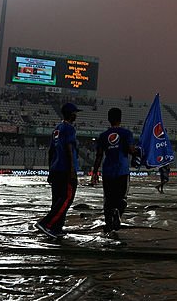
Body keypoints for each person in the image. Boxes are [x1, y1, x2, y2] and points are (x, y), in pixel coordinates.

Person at [35, 102, 81, 238]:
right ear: (71, 114)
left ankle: (56, 228)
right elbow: (68, 148)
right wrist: (72, 169)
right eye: (75, 113)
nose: (76, 116)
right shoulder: (69, 129)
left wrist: (50, 171)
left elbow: (51, 151)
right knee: (67, 198)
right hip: (65, 169)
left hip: (55, 169)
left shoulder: (57, 129)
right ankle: (46, 224)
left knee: (57, 200)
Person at [91, 108, 134, 232]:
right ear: (120, 119)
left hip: (108, 171)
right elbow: (131, 150)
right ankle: (117, 213)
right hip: (122, 170)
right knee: (122, 198)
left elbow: (99, 155)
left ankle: (108, 224)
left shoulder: (103, 136)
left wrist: (95, 172)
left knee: (108, 199)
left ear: (109, 119)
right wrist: (140, 152)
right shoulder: (126, 133)